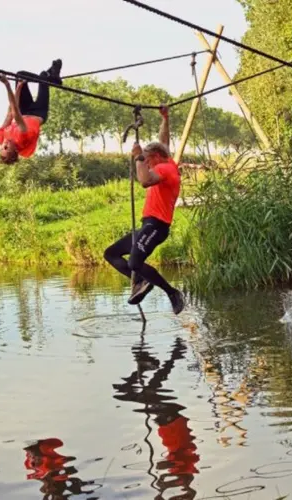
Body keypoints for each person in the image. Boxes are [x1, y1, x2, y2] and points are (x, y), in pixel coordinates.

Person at [103, 105, 185, 315]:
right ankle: (141, 280)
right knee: (111, 254)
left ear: (156, 157)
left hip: (157, 225)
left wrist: (139, 157)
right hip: (147, 225)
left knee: (134, 261)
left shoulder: (165, 169)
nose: (147, 163)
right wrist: (165, 119)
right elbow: (163, 142)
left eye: (149, 160)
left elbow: (145, 181)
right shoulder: (166, 162)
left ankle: (171, 292)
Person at [113, 337, 199, 499]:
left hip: (168, 425)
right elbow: (164, 466)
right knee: (133, 393)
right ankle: (171, 355)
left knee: (146, 389)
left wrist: (161, 491)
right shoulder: (186, 468)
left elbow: (165, 472)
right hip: (172, 424)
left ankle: (171, 355)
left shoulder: (181, 470)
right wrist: (161, 492)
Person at [0, 59, 63, 164]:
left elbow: (10, 112)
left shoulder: (1, 137)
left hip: (24, 111)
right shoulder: (21, 140)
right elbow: (15, 113)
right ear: (15, 150)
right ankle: (47, 77)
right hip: (39, 113)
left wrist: (18, 88)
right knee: (43, 78)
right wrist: (7, 84)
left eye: (1, 149)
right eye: (6, 149)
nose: (3, 145)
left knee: (20, 75)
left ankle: (51, 77)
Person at [23, 438, 100, 499]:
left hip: (49, 470)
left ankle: (35, 451)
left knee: (47, 462)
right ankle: (35, 451)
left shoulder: (47, 486)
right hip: (51, 471)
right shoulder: (50, 484)